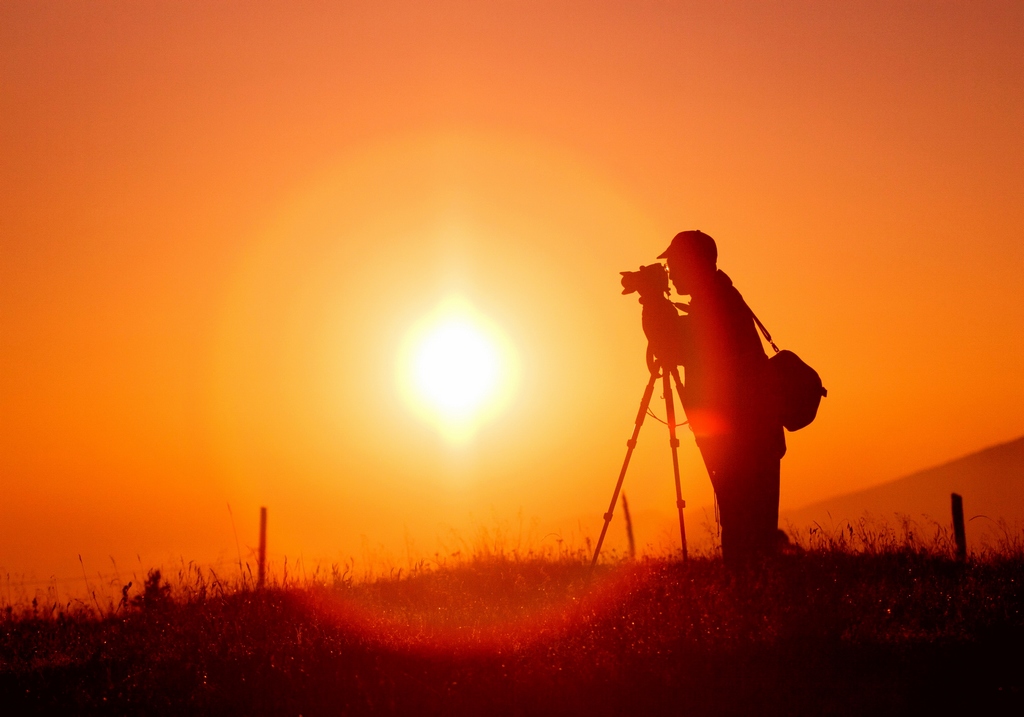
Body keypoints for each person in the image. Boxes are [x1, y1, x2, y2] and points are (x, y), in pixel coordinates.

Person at [651, 230, 785, 564]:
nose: (670, 272)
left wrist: (654, 306)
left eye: (675, 264)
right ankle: (753, 596)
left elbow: (681, 347)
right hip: (751, 435)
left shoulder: (716, 303)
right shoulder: (719, 297)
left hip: (744, 439)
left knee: (745, 532)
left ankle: (749, 600)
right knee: (749, 531)